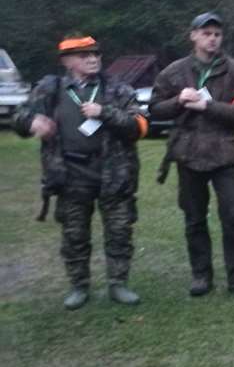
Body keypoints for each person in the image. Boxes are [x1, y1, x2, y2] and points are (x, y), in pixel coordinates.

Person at [15, 35, 146, 309]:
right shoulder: (51, 89)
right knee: (74, 235)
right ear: (66, 61)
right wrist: (31, 122)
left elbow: (139, 126)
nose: (93, 59)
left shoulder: (117, 88)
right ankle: (79, 286)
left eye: (96, 54)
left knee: (119, 232)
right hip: (71, 175)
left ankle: (118, 284)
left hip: (114, 173)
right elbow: (20, 117)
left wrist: (104, 112)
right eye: (84, 55)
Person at [149, 12, 234, 297]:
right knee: (194, 218)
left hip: (225, 154)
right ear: (193, 36)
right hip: (188, 154)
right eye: (206, 33)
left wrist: (208, 107)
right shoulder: (174, 72)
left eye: (217, 34)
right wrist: (179, 101)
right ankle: (201, 276)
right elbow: (154, 109)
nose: (212, 39)